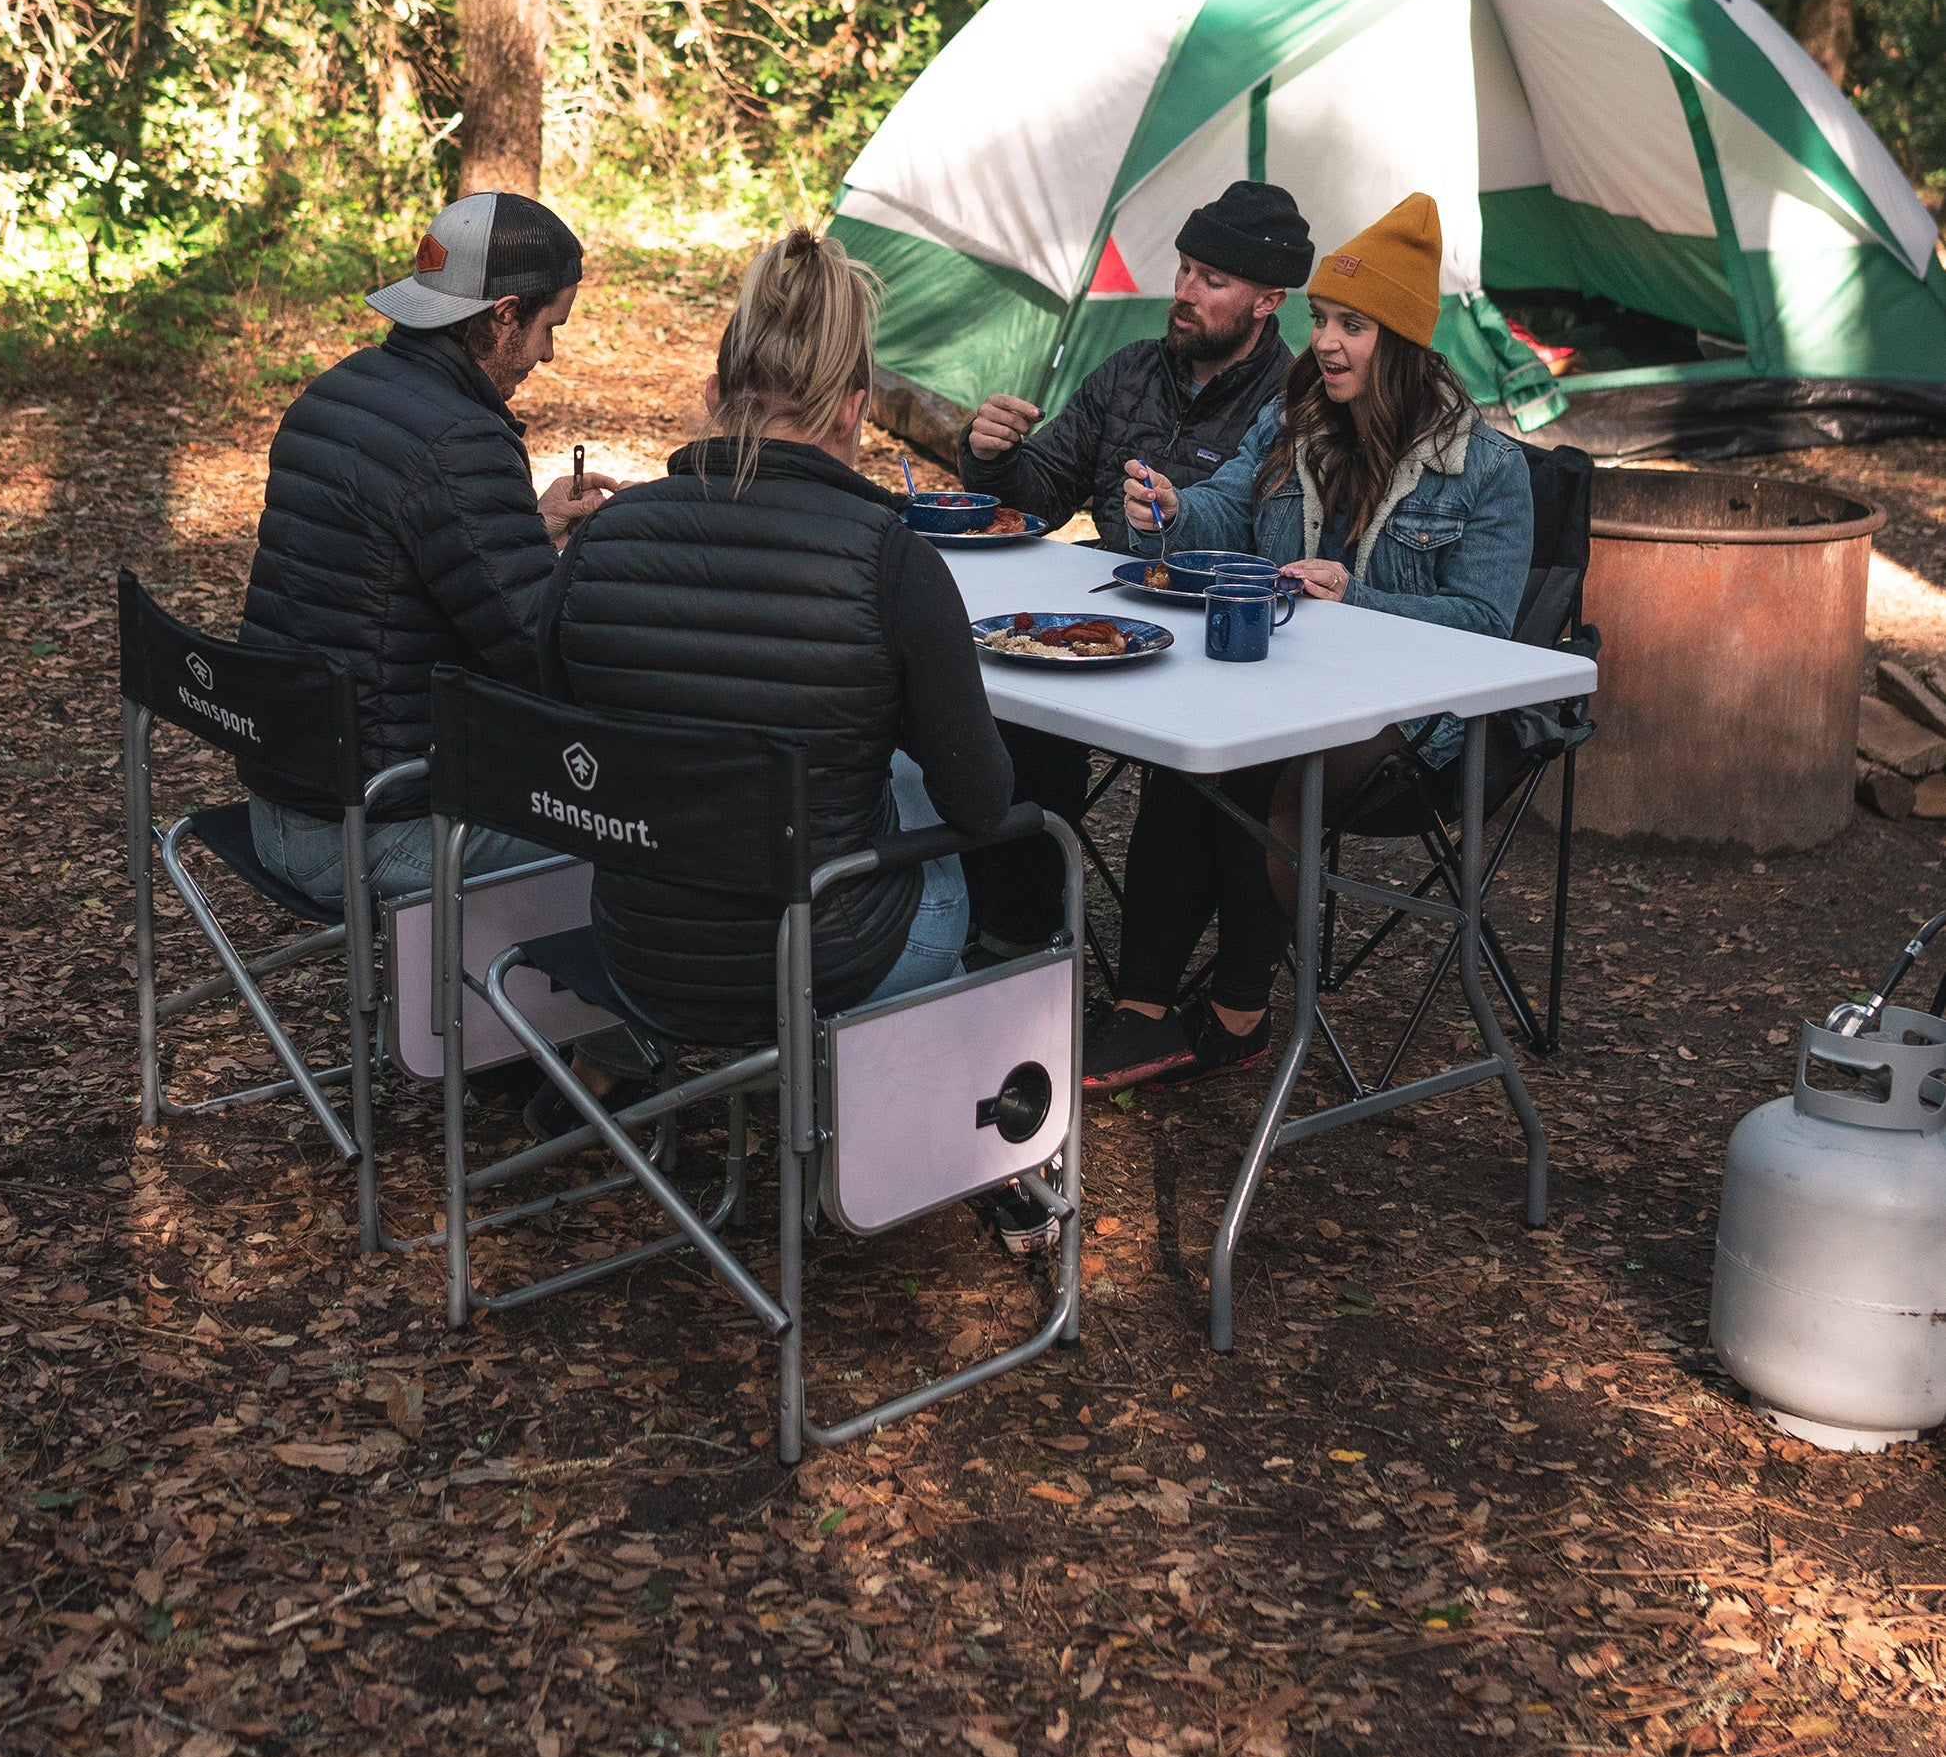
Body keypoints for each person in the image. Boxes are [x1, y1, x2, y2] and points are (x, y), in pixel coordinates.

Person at [545, 231, 1038, 1216]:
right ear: (854, 407)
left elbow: (560, 726)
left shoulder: (602, 541)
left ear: (718, 388)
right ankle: (923, 1127)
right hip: (827, 957)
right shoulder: (890, 559)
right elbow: (983, 803)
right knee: (936, 826)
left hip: (638, 945)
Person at [1087, 191, 1533, 1091]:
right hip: (1286, 678)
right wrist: (1171, 510)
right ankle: (1143, 1013)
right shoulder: (1296, 419)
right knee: (1187, 750)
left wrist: (1356, 601)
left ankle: (1238, 1016)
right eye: (1322, 318)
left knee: (1258, 762)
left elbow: (1487, 630)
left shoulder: (1486, 468)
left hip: (1418, 719)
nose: (1325, 342)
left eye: (1352, 326)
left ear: (1402, 342)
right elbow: (1227, 510)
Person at [954, 178, 1313, 954]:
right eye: (1183, 269)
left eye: (1212, 280)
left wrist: (1179, 521)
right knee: (1009, 710)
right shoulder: (1131, 373)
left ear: (1267, 301)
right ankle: (1007, 938)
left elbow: (1271, 542)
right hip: (1107, 624)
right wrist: (994, 457)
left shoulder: (1290, 404)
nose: (1183, 293)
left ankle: (1130, 968)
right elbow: (1044, 493)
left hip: (1216, 648)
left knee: (1183, 779)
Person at [238, 191, 619, 904]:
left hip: (285, 798)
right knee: (649, 827)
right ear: (503, 314)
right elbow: (543, 656)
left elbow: (382, 573)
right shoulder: (458, 440)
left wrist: (526, 527)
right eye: (548, 328)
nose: (549, 353)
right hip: (373, 829)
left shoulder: (337, 391)